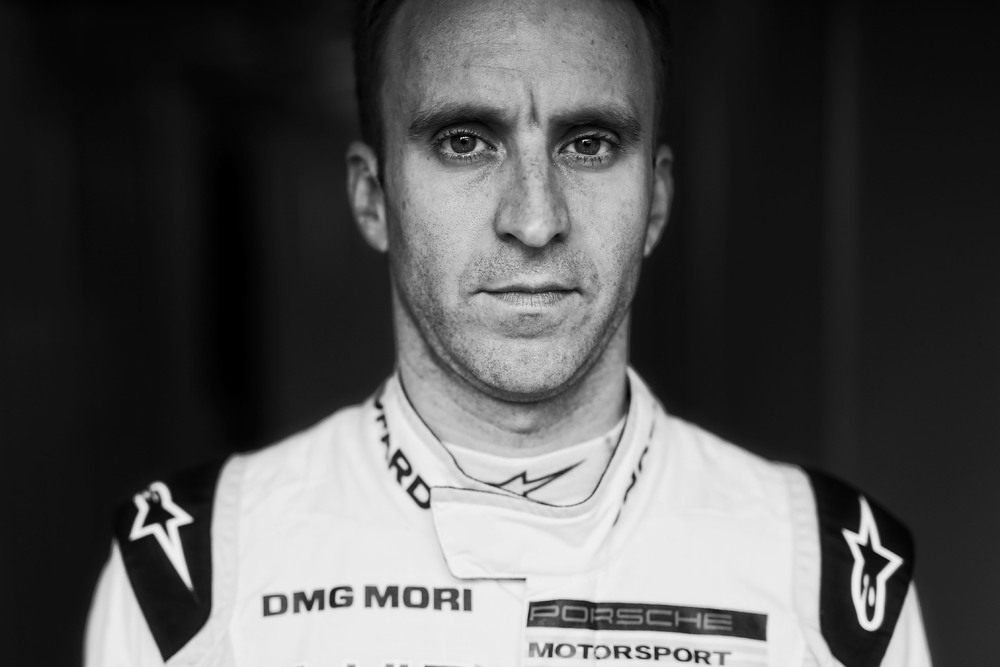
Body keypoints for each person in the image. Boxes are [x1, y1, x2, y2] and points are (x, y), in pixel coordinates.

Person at [85, 0, 932, 665]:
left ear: (656, 200)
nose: (534, 219)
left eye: (590, 144)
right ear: (372, 198)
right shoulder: (197, 578)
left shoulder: (830, 581)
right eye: (464, 141)